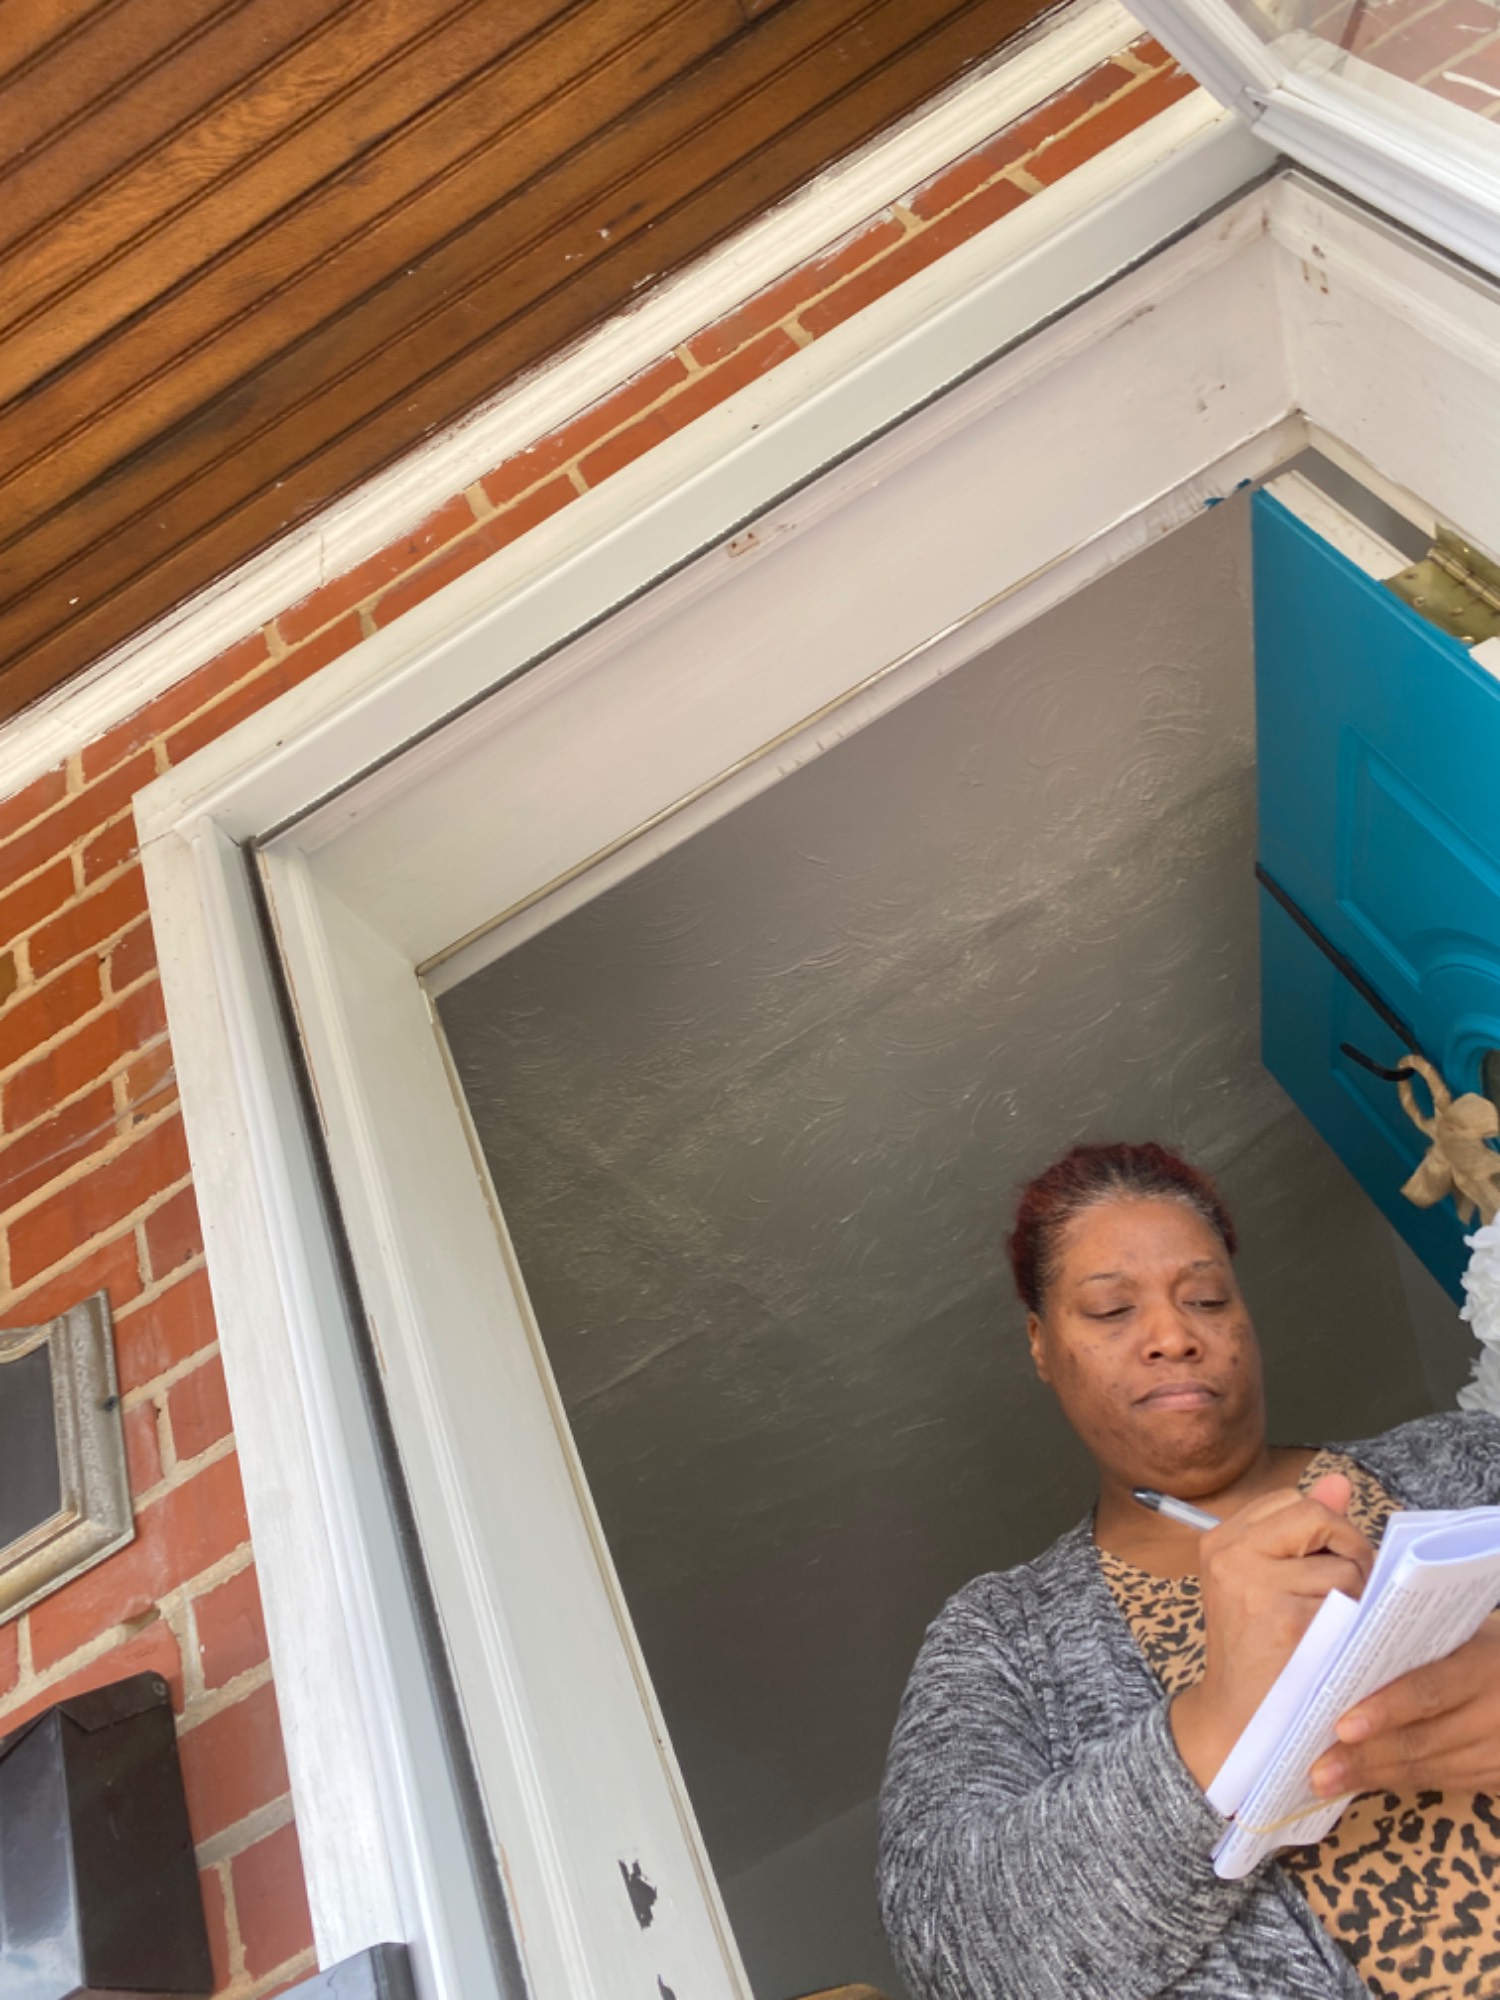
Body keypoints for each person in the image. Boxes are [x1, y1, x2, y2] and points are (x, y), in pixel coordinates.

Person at [877, 1141, 1500, 2000]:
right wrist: (1216, 1722)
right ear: (1040, 1345)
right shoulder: (1000, 1638)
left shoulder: (1464, 1459)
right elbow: (952, 1951)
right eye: (1111, 1310)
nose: (1173, 1337)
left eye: (1206, 1299)